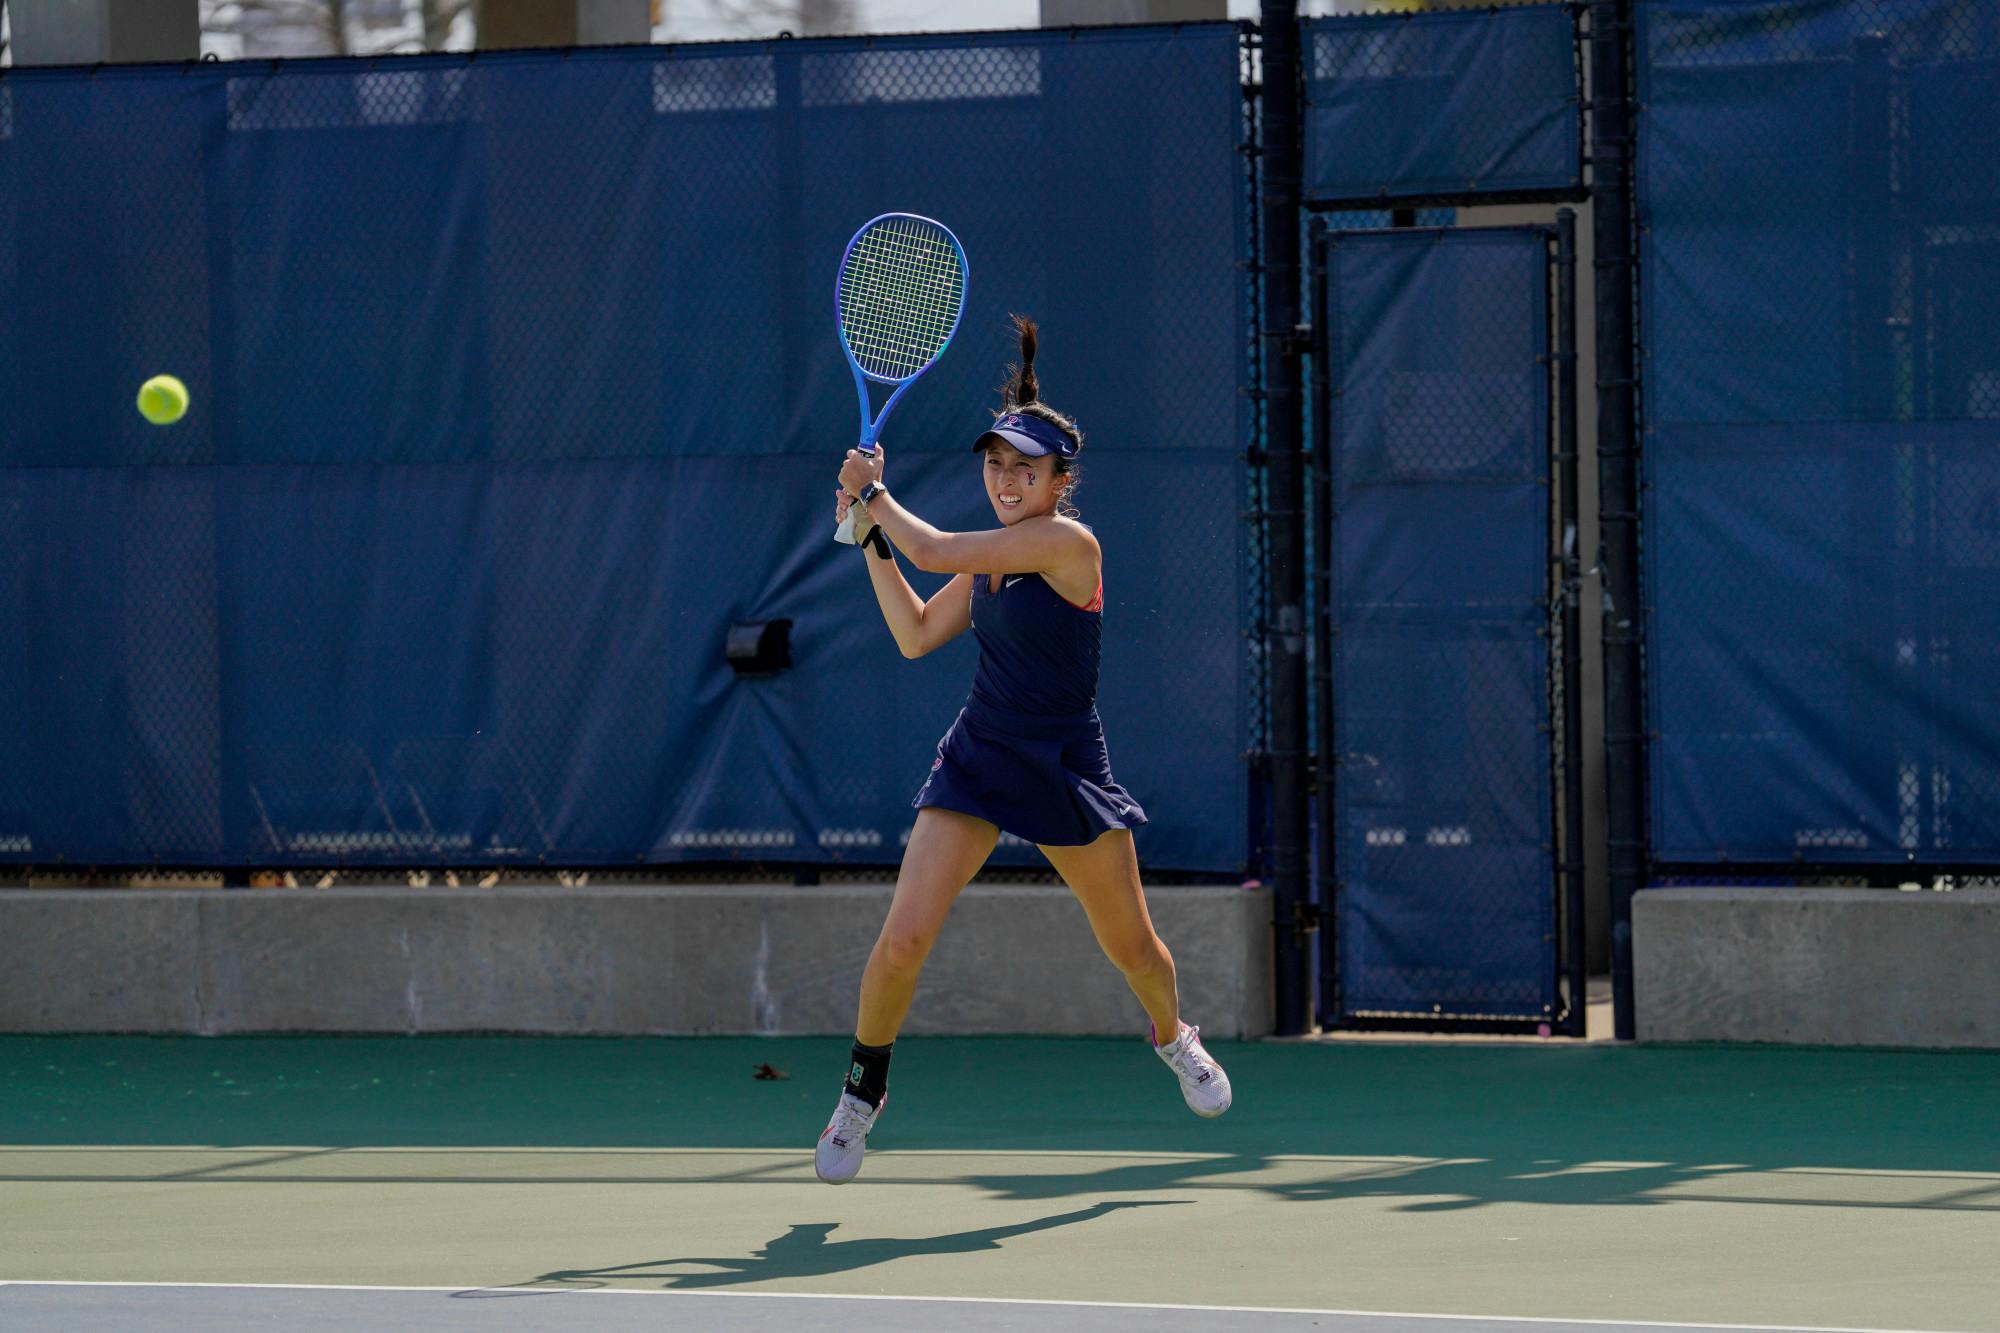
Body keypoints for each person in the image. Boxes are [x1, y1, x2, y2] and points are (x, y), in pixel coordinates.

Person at [815, 315, 1232, 1187]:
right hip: (979, 754)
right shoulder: (993, 559)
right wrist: (867, 542)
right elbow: (919, 632)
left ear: (1058, 480)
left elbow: (928, 543)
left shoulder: (1067, 544)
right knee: (903, 940)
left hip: (1066, 766)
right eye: (996, 464)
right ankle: (862, 1091)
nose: (1006, 479)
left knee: (1138, 953)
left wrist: (874, 495)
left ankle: (1173, 1037)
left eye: (1026, 468)